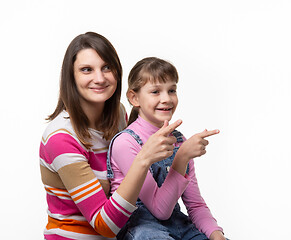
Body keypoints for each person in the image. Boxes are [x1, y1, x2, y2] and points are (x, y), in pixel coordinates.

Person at [39, 32, 182, 240]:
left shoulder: (118, 115)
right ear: (71, 76)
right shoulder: (60, 137)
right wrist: (144, 159)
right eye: (87, 70)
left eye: (107, 67)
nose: (100, 78)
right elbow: (104, 225)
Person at [107, 57, 227, 240]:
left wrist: (217, 235)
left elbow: (195, 205)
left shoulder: (179, 140)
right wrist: (182, 157)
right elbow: (159, 210)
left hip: (177, 224)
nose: (166, 99)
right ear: (134, 98)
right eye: (155, 91)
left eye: (172, 90)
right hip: (140, 229)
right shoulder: (126, 143)